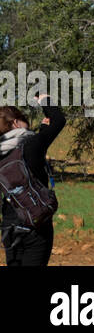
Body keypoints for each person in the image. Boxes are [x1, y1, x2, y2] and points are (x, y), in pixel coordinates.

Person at [0, 95, 65, 266]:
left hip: (10, 226)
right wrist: (46, 100)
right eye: (24, 119)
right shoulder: (32, 144)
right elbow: (59, 121)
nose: (27, 123)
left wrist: (43, 129)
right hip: (36, 222)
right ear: (15, 122)